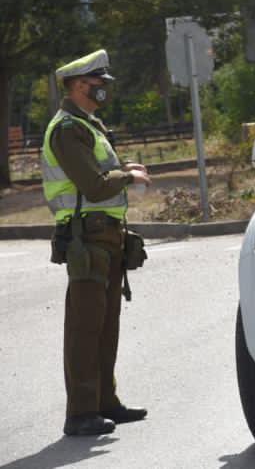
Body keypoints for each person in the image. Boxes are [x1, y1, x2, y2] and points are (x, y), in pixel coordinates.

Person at [43, 50, 151, 436]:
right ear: (76, 86)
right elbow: (93, 185)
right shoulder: (67, 129)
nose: (104, 89)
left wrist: (124, 173)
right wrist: (129, 176)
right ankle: (81, 413)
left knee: (106, 325)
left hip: (105, 235)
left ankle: (106, 403)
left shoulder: (89, 125)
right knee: (86, 327)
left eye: (104, 83)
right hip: (86, 236)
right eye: (97, 83)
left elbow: (101, 178)